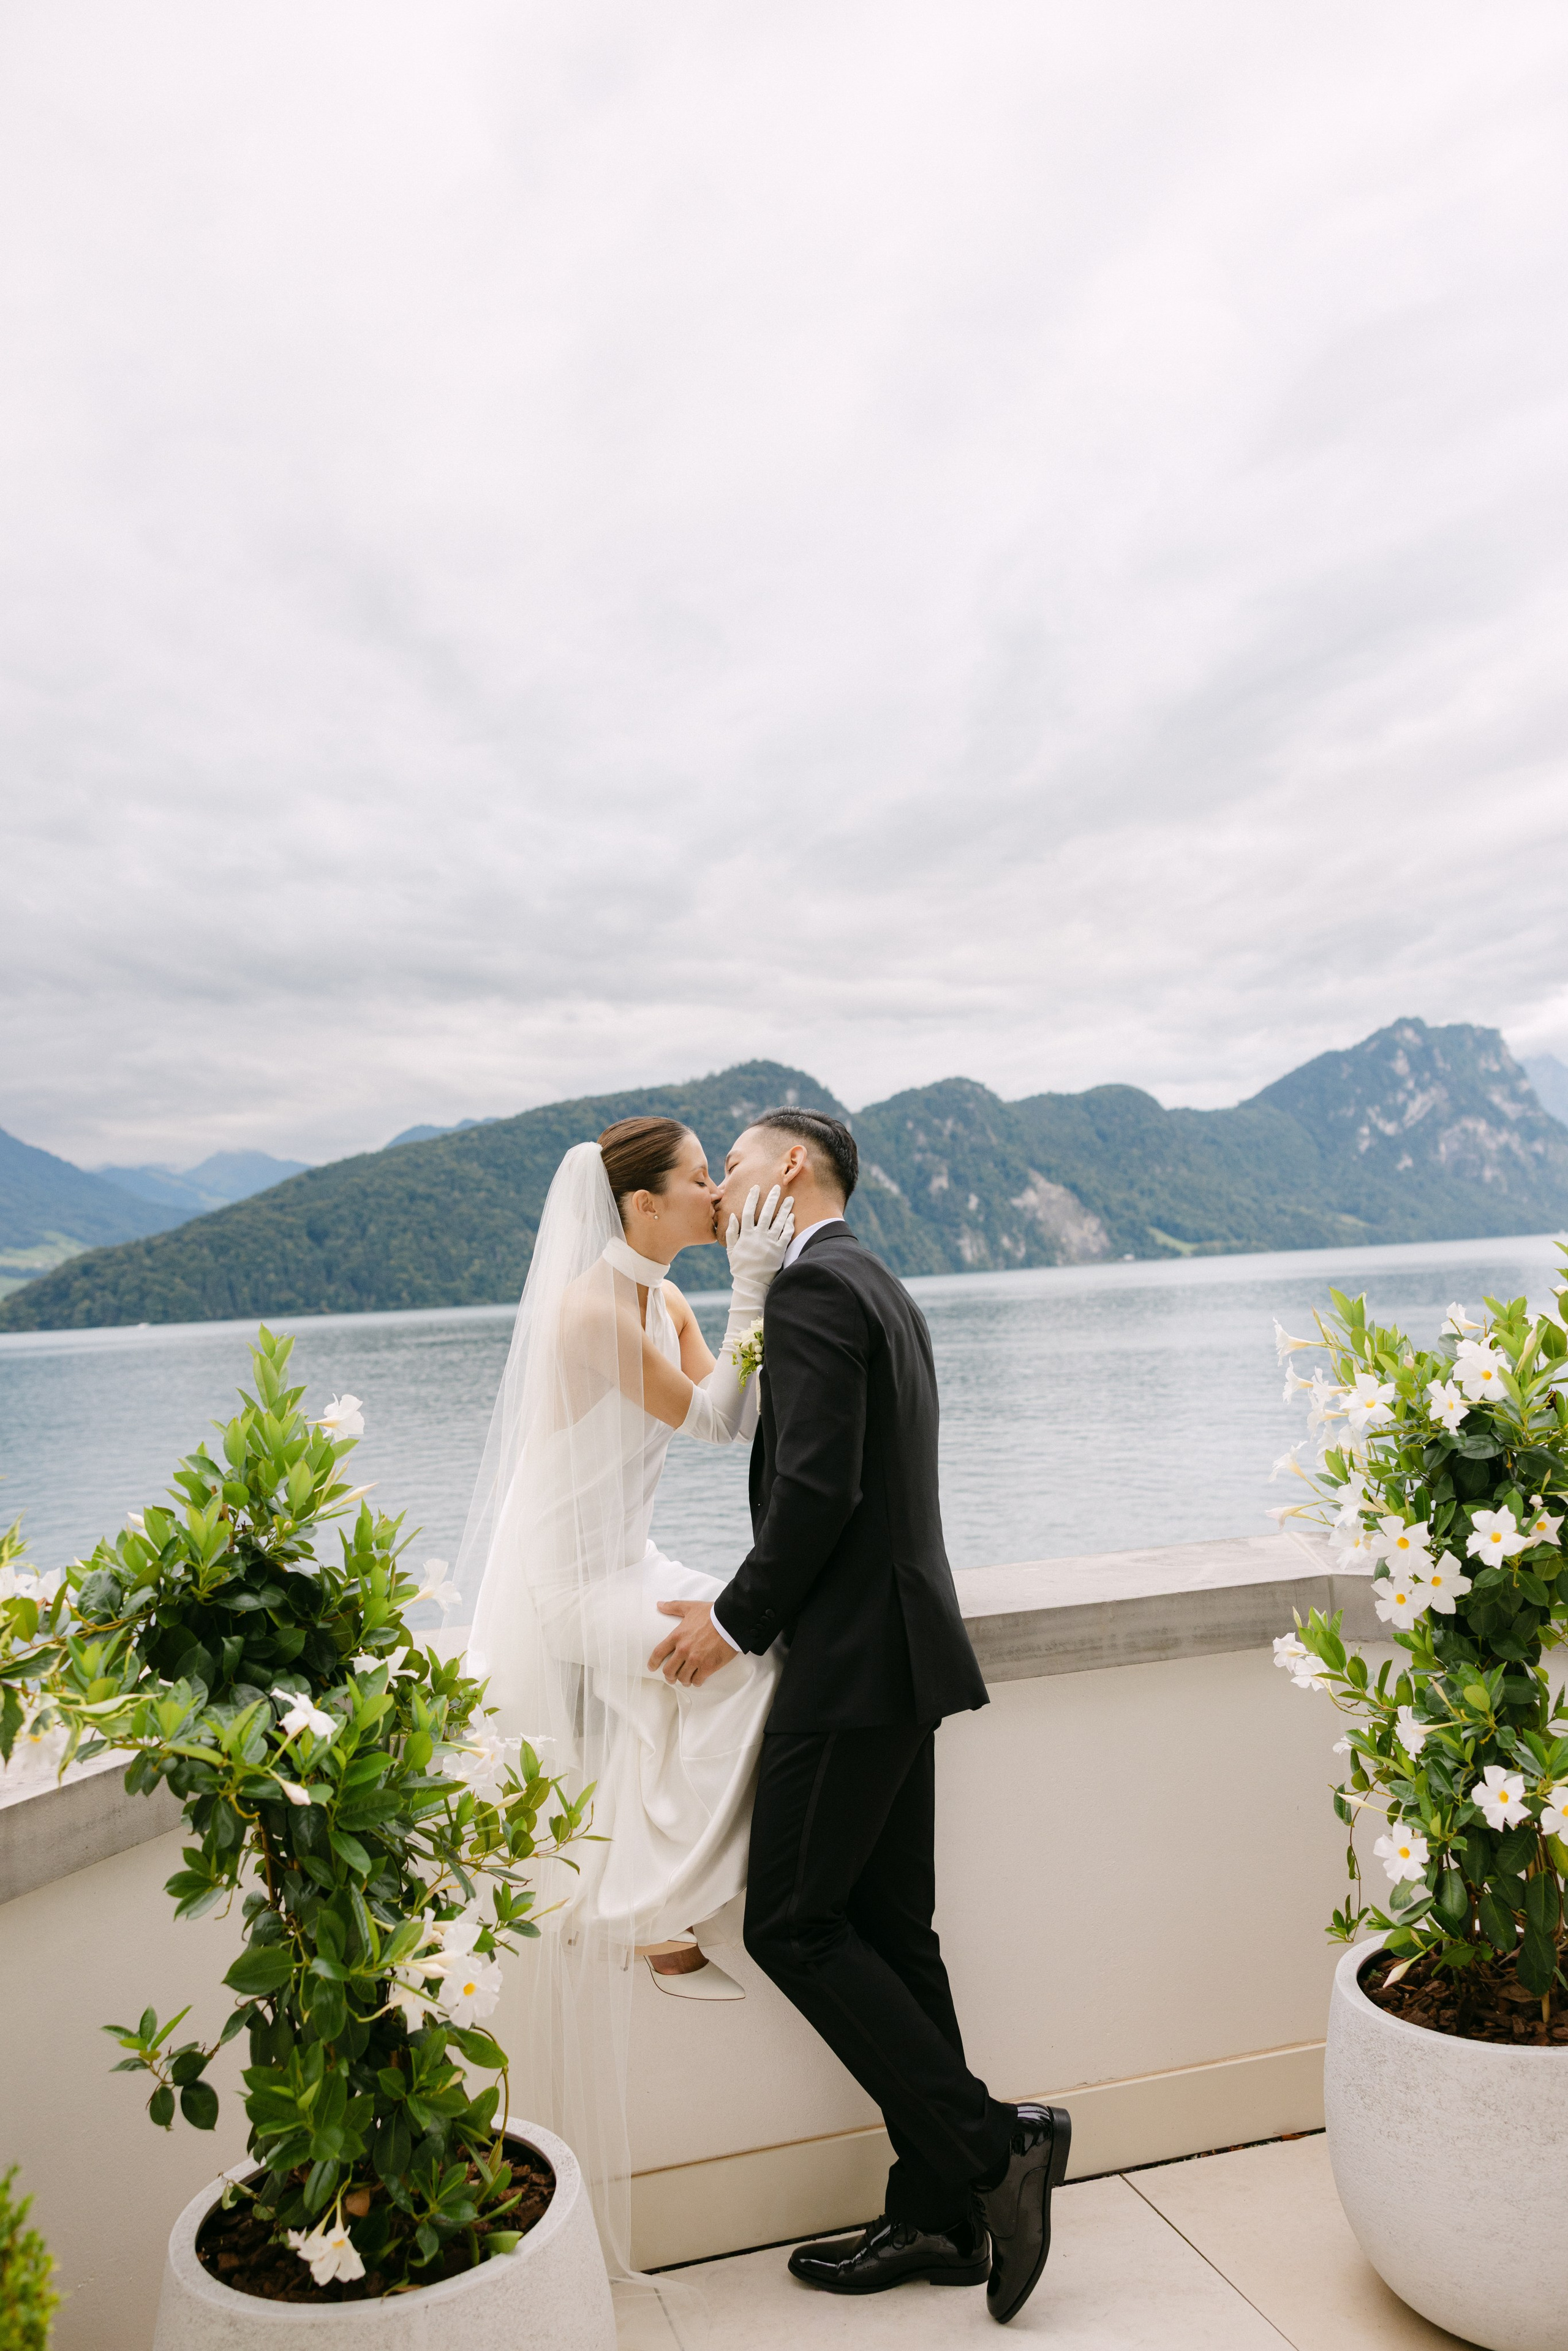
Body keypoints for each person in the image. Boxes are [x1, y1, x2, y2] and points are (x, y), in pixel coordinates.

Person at [648, 1105, 1072, 2326]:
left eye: (730, 1165)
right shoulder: (866, 1277)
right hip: (899, 1652)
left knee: (789, 1919)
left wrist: (730, 1620)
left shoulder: (814, 1293)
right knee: (893, 1931)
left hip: (845, 1663)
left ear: (788, 1167)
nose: (721, 1188)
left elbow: (819, 1484)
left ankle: (994, 2146)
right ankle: (938, 2211)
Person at [457, 1115, 795, 2284]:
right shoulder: (595, 1309)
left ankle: (659, 1890)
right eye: (700, 1181)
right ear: (642, 1206)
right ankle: (653, 1902)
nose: (717, 1195)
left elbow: (736, 1414)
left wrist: (747, 1296)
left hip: (635, 1560)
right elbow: (706, 1416)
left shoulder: (671, 1301)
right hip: (571, 1583)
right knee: (736, 1663)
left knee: (773, 1641)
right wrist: (754, 1287)